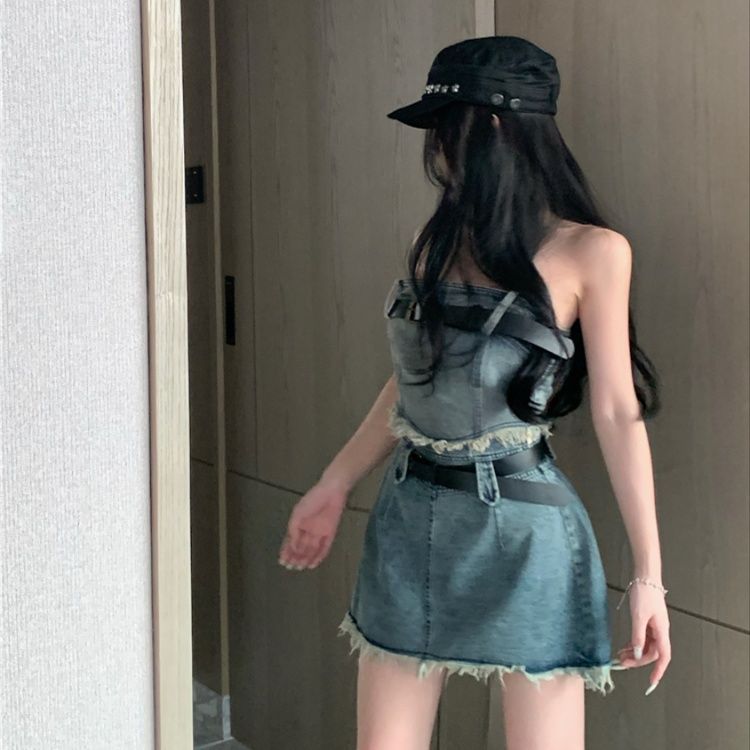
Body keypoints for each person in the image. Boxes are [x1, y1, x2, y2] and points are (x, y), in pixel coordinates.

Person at [277, 35, 671, 750]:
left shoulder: (592, 251)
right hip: (410, 516)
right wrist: (334, 483)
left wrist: (649, 577)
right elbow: (412, 381)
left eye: (444, 131)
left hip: (524, 527)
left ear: (490, 127)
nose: (437, 152)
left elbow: (618, 412)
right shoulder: (436, 242)